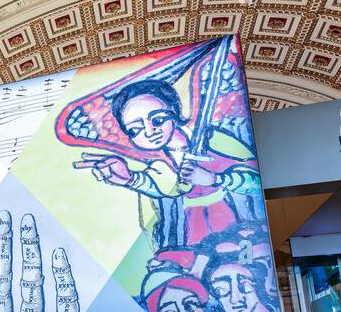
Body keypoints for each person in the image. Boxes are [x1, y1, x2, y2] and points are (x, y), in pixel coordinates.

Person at [73, 78, 261, 250]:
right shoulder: (158, 164)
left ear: (174, 111)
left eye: (158, 120)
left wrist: (216, 179)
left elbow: (255, 182)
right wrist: (129, 179)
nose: (149, 131)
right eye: (135, 129)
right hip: (191, 242)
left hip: (239, 232)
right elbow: (157, 201)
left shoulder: (213, 139)